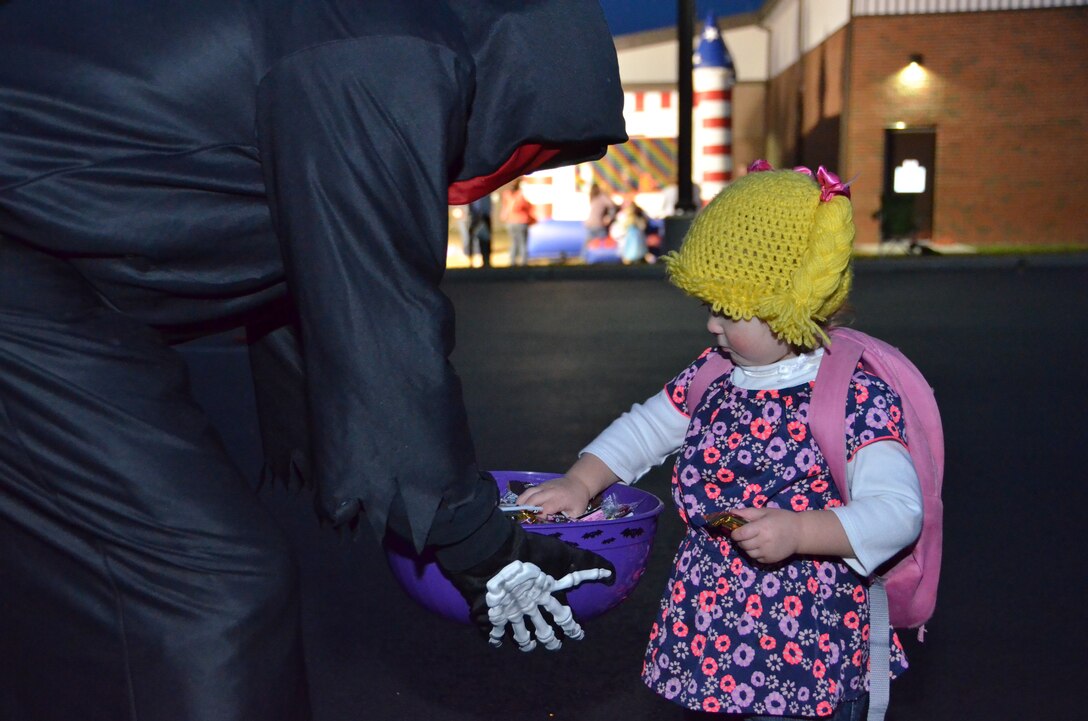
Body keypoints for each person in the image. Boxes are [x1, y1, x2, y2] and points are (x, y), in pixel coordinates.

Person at [0, 2, 627, 720]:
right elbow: (379, 309)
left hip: (45, 260)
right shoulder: (380, 59)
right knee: (208, 589)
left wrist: (353, 458)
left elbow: (311, 273)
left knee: (105, 585)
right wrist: (484, 546)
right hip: (21, 261)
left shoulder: (366, 28)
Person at [518, 163, 924, 719]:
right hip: (715, 634)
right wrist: (580, 481)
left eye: (728, 310)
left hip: (809, 648)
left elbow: (899, 512)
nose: (712, 325)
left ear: (790, 305)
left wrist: (803, 530)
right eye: (709, 307)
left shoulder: (850, 395)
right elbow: (646, 428)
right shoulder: (714, 374)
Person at [501, 179, 537, 266]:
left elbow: (504, 207)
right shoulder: (520, 195)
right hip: (521, 221)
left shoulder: (506, 194)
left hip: (510, 221)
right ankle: (524, 262)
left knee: (513, 242)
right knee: (523, 242)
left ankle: (512, 261)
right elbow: (526, 206)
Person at [613, 194, 649, 264]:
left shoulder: (639, 216)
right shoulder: (621, 217)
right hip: (626, 249)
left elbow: (643, 227)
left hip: (639, 250)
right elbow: (616, 233)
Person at [584, 182, 617, 254]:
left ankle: (585, 258)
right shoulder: (602, 197)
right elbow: (612, 206)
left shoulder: (593, 197)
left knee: (588, 243)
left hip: (589, 223)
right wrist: (609, 217)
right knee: (603, 243)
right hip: (598, 224)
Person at [468, 193, 494, 267]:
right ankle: (471, 260)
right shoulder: (473, 194)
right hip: (474, 217)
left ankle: (486, 260)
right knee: (471, 240)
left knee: (485, 240)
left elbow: (488, 206)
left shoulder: (486, 193)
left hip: (484, 217)